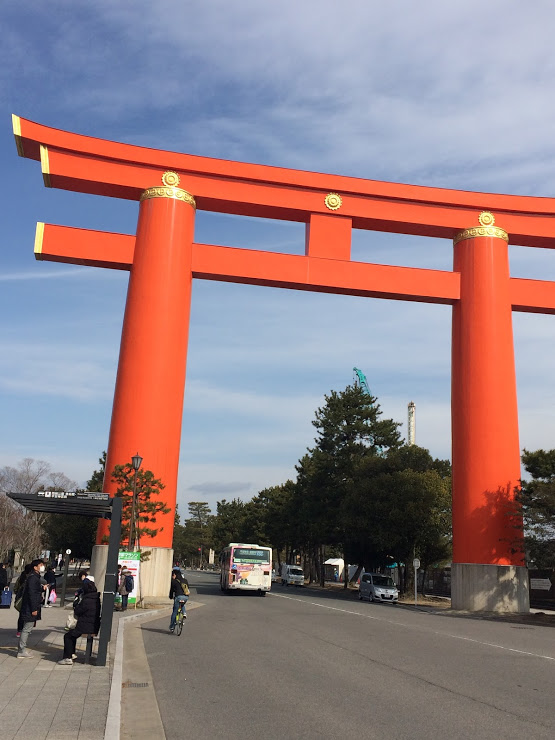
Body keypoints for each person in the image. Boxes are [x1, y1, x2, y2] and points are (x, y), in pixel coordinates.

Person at [58, 579, 101, 665]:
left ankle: (68, 657)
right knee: (71, 635)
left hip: (85, 626)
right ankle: (71, 654)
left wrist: (76, 603)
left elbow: (77, 611)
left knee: (68, 636)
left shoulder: (86, 600)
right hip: (93, 625)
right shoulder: (96, 598)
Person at [17, 559, 45, 658]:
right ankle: (21, 650)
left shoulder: (34, 577)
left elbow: (34, 591)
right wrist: (34, 609)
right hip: (30, 608)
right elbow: (32, 594)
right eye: (41, 565)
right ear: (35, 567)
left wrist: (42, 588)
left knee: (27, 628)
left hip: (30, 607)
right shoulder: (33, 578)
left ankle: (22, 649)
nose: (42, 566)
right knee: (26, 629)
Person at [14, 564, 34, 637]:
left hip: (20, 598)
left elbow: (15, 588)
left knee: (21, 615)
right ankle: (26, 629)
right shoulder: (31, 578)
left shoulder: (21, 577)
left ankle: (19, 631)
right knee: (29, 615)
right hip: (28, 599)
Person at [169, 567, 189, 632]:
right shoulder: (185, 580)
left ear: (174, 574)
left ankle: (172, 626)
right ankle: (184, 613)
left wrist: (171, 596)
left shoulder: (174, 581)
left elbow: (172, 591)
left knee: (175, 611)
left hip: (178, 597)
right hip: (186, 597)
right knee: (182, 604)